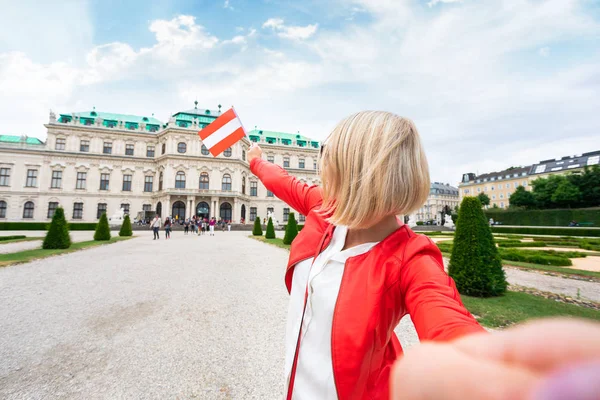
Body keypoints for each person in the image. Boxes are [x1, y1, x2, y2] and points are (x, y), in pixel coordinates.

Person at [248, 111, 485, 400]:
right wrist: (256, 160)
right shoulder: (326, 208)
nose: (322, 162)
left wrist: (494, 374)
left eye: (328, 153)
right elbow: (282, 181)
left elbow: (451, 327)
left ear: (353, 169)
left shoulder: (410, 257)